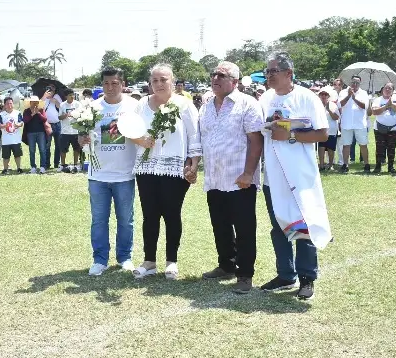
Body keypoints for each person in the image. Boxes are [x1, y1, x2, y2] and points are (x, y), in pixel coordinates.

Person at [258, 52, 330, 300]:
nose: (269, 76)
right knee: (278, 225)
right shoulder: (265, 98)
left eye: (273, 71)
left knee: (303, 226)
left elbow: (322, 134)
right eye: (267, 71)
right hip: (273, 176)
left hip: (299, 175)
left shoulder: (307, 97)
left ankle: (307, 278)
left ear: (289, 73)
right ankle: (285, 274)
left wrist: (290, 135)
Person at [131, 64, 201, 280]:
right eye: (155, 80)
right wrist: (141, 140)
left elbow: (195, 137)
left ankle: (172, 261)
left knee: (172, 215)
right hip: (147, 168)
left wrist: (194, 164)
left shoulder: (185, 105)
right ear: (150, 83)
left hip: (175, 169)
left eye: (164, 80)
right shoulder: (141, 104)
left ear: (173, 81)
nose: (159, 84)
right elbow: (129, 130)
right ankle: (149, 261)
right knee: (149, 215)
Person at [198, 62, 264, 293]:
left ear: (235, 82)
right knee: (221, 225)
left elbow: (256, 141)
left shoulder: (247, 104)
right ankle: (226, 265)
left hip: (240, 179)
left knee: (244, 228)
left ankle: (245, 274)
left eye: (221, 75)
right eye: (213, 74)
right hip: (215, 177)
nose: (215, 78)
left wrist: (248, 173)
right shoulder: (206, 106)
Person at [80, 67, 138, 276]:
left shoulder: (134, 106)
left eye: (115, 83)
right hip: (98, 175)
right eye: (106, 83)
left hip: (125, 174)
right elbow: (81, 137)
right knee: (99, 220)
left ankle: (125, 257)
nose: (110, 87)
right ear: (101, 85)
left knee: (126, 220)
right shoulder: (92, 108)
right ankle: (99, 259)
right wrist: (82, 139)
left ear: (123, 84)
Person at [338, 75, 370, 173]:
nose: (354, 84)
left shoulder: (364, 93)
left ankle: (366, 164)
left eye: (357, 83)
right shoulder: (343, 92)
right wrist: (348, 96)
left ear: (360, 83)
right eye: (353, 82)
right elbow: (339, 105)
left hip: (360, 123)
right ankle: (345, 164)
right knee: (346, 145)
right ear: (350, 82)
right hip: (347, 123)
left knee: (363, 144)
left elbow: (365, 106)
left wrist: (354, 98)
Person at [370, 83, 396, 174]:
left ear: (393, 91)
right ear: (382, 89)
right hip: (379, 127)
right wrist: (385, 106)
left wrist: (392, 104)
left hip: (394, 128)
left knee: (391, 147)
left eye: (390, 88)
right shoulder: (378, 100)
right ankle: (378, 166)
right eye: (386, 88)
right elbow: (375, 111)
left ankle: (391, 166)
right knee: (379, 147)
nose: (387, 90)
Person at [0, 96, 24, 174]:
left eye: (11, 103)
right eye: (7, 104)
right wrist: (4, 126)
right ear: (4, 105)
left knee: (17, 155)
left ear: (13, 104)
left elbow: (21, 122)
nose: (9, 105)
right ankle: (5, 169)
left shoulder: (17, 113)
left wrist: (17, 125)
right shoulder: (1, 114)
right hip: (6, 139)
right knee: (5, 156)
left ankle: (19, 168)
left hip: (16, 139)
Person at [22, 95, 48, 174]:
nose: (35, 104)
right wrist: (32, 114)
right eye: (33, 102)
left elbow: (45, 119)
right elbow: (25, 120)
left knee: (42, 150)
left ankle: (43, 166)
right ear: (30, 103)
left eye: (36, 102)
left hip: (41, 133)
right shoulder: (26, 111)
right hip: (30, 133)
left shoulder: (41, 110)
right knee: (32, 150)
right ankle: (33, 166)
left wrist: (38, 113)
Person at [58, 89, 81, 172]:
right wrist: (65, 115)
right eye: (70, 95)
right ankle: (63, 165)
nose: (72, 96)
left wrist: (76, 115)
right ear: (66, 96)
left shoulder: (78, 104)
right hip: (65, 131)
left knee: (76, 148)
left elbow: (81, 115)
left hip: (75, 130)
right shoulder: (62, 105)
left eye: (73, 95)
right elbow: (59, 117)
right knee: (63, 149)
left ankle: (76, 164)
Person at [317, 89, 340, 171]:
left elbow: (336, 117)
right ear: (319, 96)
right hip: (321, 130)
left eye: (325, 94)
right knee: (321, 148)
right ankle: (322, 165)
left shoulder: (333, 105)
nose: (323, 96)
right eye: (322, 94)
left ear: (328, 96)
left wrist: (328, 109)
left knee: (331, 149)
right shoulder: (316, 105)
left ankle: (330, 165)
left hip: (331, 130)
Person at [41, 86, 62, 170]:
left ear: (55, 91)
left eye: (52, 89)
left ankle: (57, 163)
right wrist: (45, 96)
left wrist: (55, 101)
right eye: (49, 89)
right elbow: (40, 106)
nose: (50, 91)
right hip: (47, 125)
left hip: (57, 124)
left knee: (58, 145)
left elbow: (61, 107)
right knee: (47, 145)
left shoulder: (57, 97)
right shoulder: (44, 97)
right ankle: (47, 164)